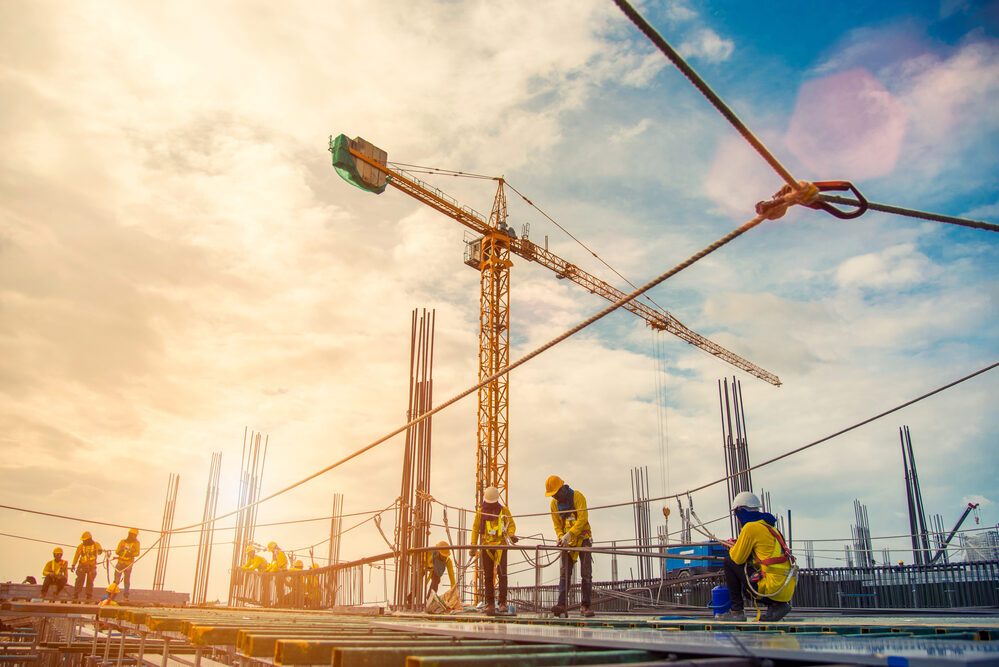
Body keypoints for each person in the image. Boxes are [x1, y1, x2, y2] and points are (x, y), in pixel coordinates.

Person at [716, 491, 796, 622]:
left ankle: (737, 612)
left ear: (740, 513)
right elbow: (764, 556)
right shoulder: (770, 527)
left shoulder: (750, 527)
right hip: (785, 589)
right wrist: (738, 545)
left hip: (771, 587)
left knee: (729, 561)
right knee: (741, 564)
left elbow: (737, 559)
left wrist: (733, 548)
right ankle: (777, 606)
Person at [546, 475, 594, 618]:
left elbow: (583, 519)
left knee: (586, 573)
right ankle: (561, 605)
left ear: (562, 488)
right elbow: (557, 524)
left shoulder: (577, 497)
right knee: (564, 573)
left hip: (583, 538)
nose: (554, 497)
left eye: (556, 494)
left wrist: (570, 534)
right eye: (552, 495)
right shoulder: (554, 505)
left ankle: (585, 606)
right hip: (567, 541)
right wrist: (561, 536)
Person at [470, 486, 517, 616]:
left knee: (502, 574)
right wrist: (473, 545)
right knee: (488, 576)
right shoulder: (481, 513)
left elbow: (511, 524)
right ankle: (490, 604)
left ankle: (502, 603)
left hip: (501, 546)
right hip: (487, 547)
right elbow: (475, 529)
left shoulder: (503, 510)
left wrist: (511, 534)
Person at [71, 531, 103, 601]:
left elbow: (100, 552)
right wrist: (73, 564)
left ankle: (88, 595)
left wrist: (100, 550)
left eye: (84, 540)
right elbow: (76, 556)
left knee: (90, 580)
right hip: (82, 565)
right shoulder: (81, 546)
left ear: (89, 539)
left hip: (91, 566)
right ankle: (76, 594)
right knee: (80, 579)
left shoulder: (96, 544)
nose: (83, 541)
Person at [113, 528, 140, 599]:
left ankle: (126, 595)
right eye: (134, 535)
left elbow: (137, 553)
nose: (135, 537)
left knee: (126, 580)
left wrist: (131, 554)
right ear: (130, 534)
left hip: (128, 564)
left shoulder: (136, 543)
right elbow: (117, 551)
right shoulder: (122, 542)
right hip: (120, 563)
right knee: (116, 580)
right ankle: (112, 594)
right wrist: (121, 550)